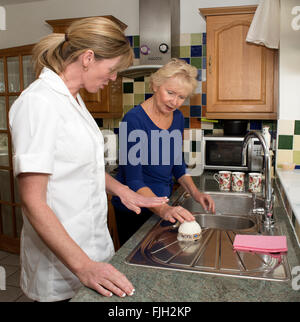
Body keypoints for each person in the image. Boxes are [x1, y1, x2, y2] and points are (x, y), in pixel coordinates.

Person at [8, 17, 169, 302]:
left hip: (93, 251)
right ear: (88, 58)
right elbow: (33, 201)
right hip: (61, 267)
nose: (113, 78)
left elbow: (83, 166)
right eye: (112, 69)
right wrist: (83, 266)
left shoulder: (75, 99)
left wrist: (125, 192)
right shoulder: (39, 103)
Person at [112, 58, 215, 246]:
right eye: (170, 93)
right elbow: (134, 180)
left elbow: (177, 164)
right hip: (135, 210)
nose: (174, 102)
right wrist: (165, 209)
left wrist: (195, 194)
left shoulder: (177, 117)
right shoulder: (133, 120)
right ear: (155, 85)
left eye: (181, 97)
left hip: (162, 205)